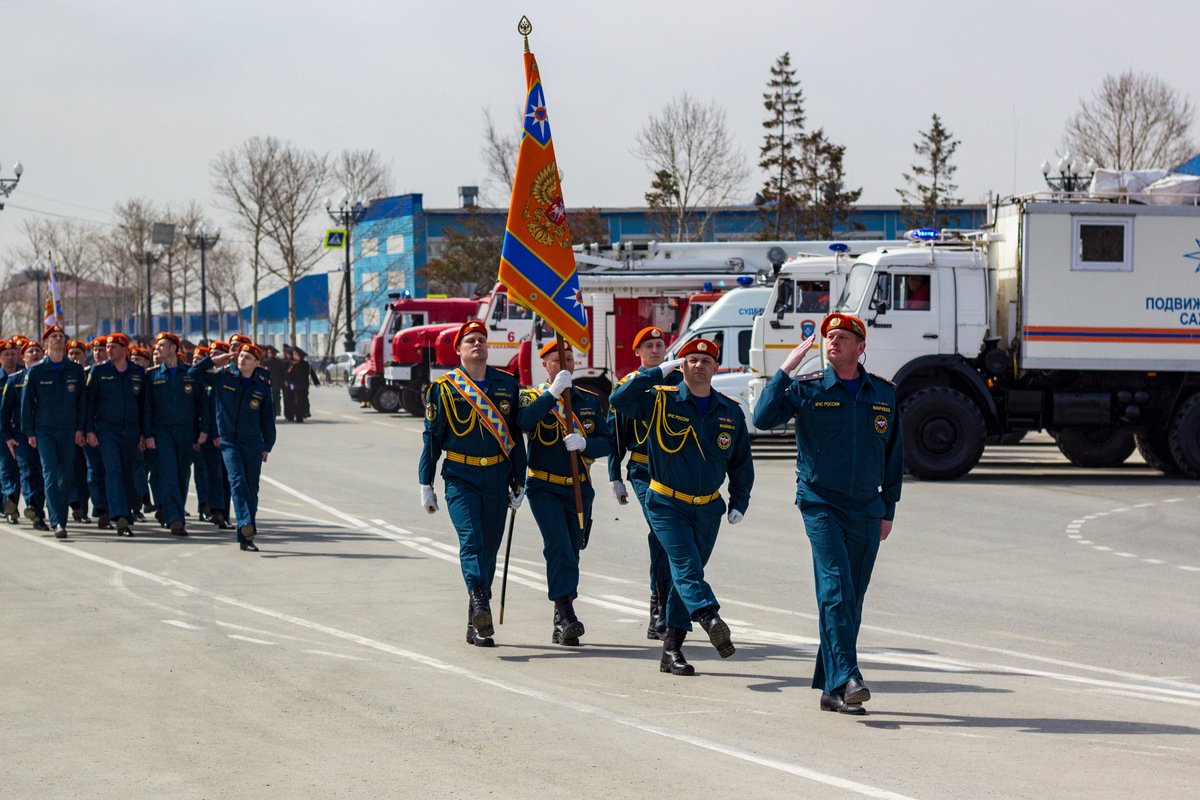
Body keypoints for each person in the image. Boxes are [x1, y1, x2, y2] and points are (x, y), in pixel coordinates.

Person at [752, 313, 904, 715]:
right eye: (828, 337)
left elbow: (893, 455)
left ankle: (832, 689)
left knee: (850, 598)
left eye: (841, 337)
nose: (832, 342)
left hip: (868, 508)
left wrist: (888, 507)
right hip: (821, 502)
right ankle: (849, 677)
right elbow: (762, 419)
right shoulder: (808, 388)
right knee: (836, 589)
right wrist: (786, 370)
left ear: (860, 347)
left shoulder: (884, 394)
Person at [610, 337, 753, 675]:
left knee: (685, 577)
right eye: (691, 360)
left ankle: (671, 650)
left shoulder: (729, 410)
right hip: (665, 502)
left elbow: (741, 461)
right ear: (681, 365)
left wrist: (740, 500)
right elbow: (619, 399)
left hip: (708, 508)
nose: (698, 365)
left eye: (705, 360)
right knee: (687, 568)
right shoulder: (660, 400)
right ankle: (709, 616)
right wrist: (656, 372)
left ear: (716, 367)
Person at [418, 320, 527, 647]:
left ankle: (475, 622)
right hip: (461, 477)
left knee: (490, 549)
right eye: (471, 341)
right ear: (459, 350)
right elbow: (432, 439)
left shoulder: (507, 384)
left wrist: (519, 479)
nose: (478, 344)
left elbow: (516, 437)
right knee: (472, 540)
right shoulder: (444, 387)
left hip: (496, 477)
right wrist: (426, 483)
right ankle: (481, 600)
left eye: (482, 339)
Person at [518, 340, 611, 646]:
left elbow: (608, 441)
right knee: (558, 546)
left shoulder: (589, 399)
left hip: (580, 487)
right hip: (544, 486)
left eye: (569, 358)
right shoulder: (533, 396)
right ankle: (566, 612)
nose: (565, 364)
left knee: (572, 550)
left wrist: (587, 445)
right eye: (557, 359)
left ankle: (561, 620)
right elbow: (525, 422)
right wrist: (553, 394)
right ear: (545, 365)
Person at [608, 326, 680, 640]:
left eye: (659, 345)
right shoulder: (629, 386)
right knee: (663, 533)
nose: (654, 350)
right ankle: (659, 608)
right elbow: (616, 435)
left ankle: (663, 607)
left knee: (667, 536)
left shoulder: (679, 382)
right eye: (648, 346)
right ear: (637, 352)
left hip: (676, 472)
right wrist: (615, 475)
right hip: (643, 471)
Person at [188, 342, 276, 550]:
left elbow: (267, 419)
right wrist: (213, 360)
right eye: (241, 356)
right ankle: (246, 523)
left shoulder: (262, 386)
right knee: (237, 481)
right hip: (229, 441)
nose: (242, 359)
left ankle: (246, 536)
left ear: (256, 363)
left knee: (251, 488)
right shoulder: (224, 377)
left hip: (253, 443)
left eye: (248, 357)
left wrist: (267, 445)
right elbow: (193, 373)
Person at [21, 326, 87, 538]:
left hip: (68, 430)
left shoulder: (75, 370)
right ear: (46, 343)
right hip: (45, 430)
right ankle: (57, 521)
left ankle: (61, 519)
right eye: (53, 337)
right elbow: (27, 404)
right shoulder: (37, 370)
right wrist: (29, 431)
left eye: (61, 336)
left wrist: (80, 429)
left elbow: (82, 403)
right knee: (49, 472)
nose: (58, 339)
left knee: (65, 476)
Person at [144, 332, 208, 536]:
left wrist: (203, 431)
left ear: (174, 348)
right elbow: (146, 408)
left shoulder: (190, 374)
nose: (157, 348)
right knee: (169, 473)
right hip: (162, 432)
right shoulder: (152, 375)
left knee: (182, 474)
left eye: (162, 345)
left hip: (186, 432)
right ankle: (175, 519)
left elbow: (202, 405)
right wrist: (148, 434)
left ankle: (174, 510)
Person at [84, 333, 146, 536]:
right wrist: (90, 430)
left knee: (127, 471)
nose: (108, 350)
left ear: (125, 350)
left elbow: (144, 406)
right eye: (107, 347)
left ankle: (127, 510)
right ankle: (119, 516)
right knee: (113, 470)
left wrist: (144, 433)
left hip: (131, 430)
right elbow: (89, 404)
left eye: (113, 347)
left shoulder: (138, 372)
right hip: (106, 429)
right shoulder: (99, 371)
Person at [2, 339, 47, 529]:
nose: (35, 354)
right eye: (30, 352)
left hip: (46, 431)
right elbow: (4, 411)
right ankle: (30, 507)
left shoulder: (49, 376)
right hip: (19, 433)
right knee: (25, 469)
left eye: (38, 351)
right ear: (24, 356)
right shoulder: (15, 380)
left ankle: (38, 507)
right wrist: (7, 436)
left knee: (44, 472)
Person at [66, 340, 92, 523]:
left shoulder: (92, 374)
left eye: (78, 353)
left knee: (88, 472)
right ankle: (76, 505)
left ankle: (85, 507)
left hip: (91, 430)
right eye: (71, 354)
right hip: (71, 429)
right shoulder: (66, 375)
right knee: (74, 470)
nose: (74, 357)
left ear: (85, 356)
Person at [0, 340, 23, 524]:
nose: (10, 357)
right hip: (1, 430)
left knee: (15, 468)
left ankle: (10, 504)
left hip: (18, 428)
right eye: (6, 354)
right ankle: (9, 502)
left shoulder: (23, 377)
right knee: (7, 467)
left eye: (13, 353)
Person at [284, 347, 319, 422]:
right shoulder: (305, 364)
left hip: (298, 387)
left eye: (295, 355)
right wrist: (317, 382)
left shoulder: (295, 364)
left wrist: (290, 383)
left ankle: (300, 416)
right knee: (301, 401)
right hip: (302, 386)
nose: (294, 356)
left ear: (298, 356)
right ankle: (300, 415)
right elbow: (312, 374)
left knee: (298, 402)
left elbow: (289, 374)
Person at [261, 345, 287, 418]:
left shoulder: (265, 361)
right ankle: (277, 410)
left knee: (268, 397)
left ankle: (269, 411)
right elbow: (283, 373)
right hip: (277, 383)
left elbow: (262, 372)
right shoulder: (279, 362)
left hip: (267, 382)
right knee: (276, 397)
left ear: (270, 353)